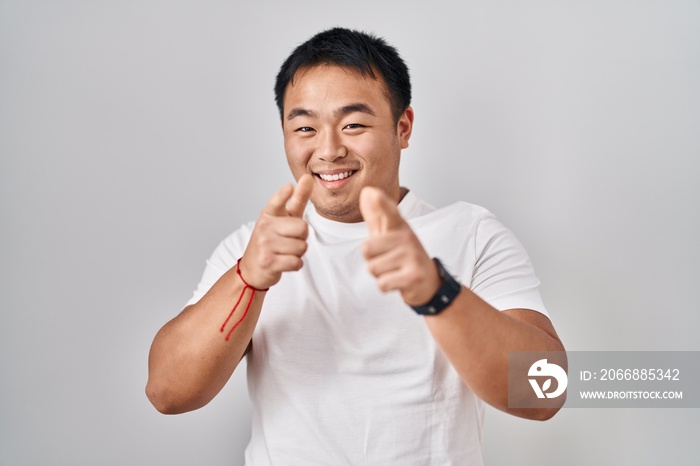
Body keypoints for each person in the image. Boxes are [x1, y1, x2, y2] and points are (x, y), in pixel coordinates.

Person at [146, 27, 565, 465]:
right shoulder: (254, 248)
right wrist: (248, 278)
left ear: (402, 128)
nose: (328, 150)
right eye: (305, 127)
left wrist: (437, 293)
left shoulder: (471, 233)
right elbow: (167, 392)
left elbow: (545, 392)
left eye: (353, 125)